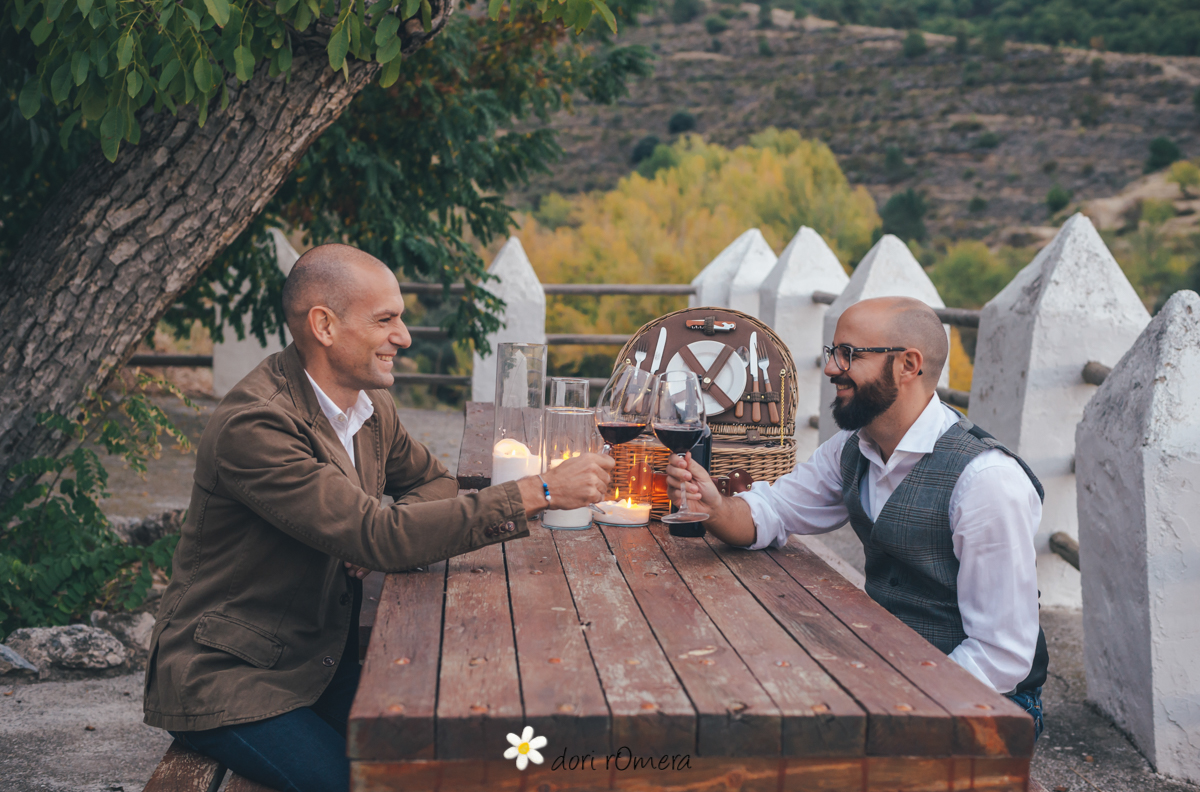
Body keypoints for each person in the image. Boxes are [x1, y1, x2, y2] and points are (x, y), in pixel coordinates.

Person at [143, 243, 613, 791]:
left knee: (443, 761)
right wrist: (543, 490)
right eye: (386, 320)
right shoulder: (257, 427)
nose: (405, 337)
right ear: (324, 325)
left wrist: (371, 531)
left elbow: (431, 483)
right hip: (232, 677)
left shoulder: (367, 405)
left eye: (402, 319)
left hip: (317, 656)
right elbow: (379, 538)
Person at [666, 296, 1048, 737]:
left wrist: (886, 704)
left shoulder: (987, 481)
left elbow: (1001, 656)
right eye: (832, 353)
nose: (831, 369)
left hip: (983, 705)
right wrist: (714, 507)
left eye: (849, 354)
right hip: (889, 669)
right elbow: (770, 511)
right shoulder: (854, 448)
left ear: (908, 365)